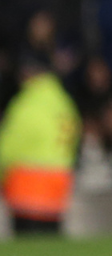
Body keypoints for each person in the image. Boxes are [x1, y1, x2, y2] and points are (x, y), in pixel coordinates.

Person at [0, 58, 80, 233]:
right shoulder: (63, 102)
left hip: (28, 184)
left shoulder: (26, 104)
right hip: (59, 182)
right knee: (50, 244)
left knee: (27, 249)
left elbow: (8, 146)